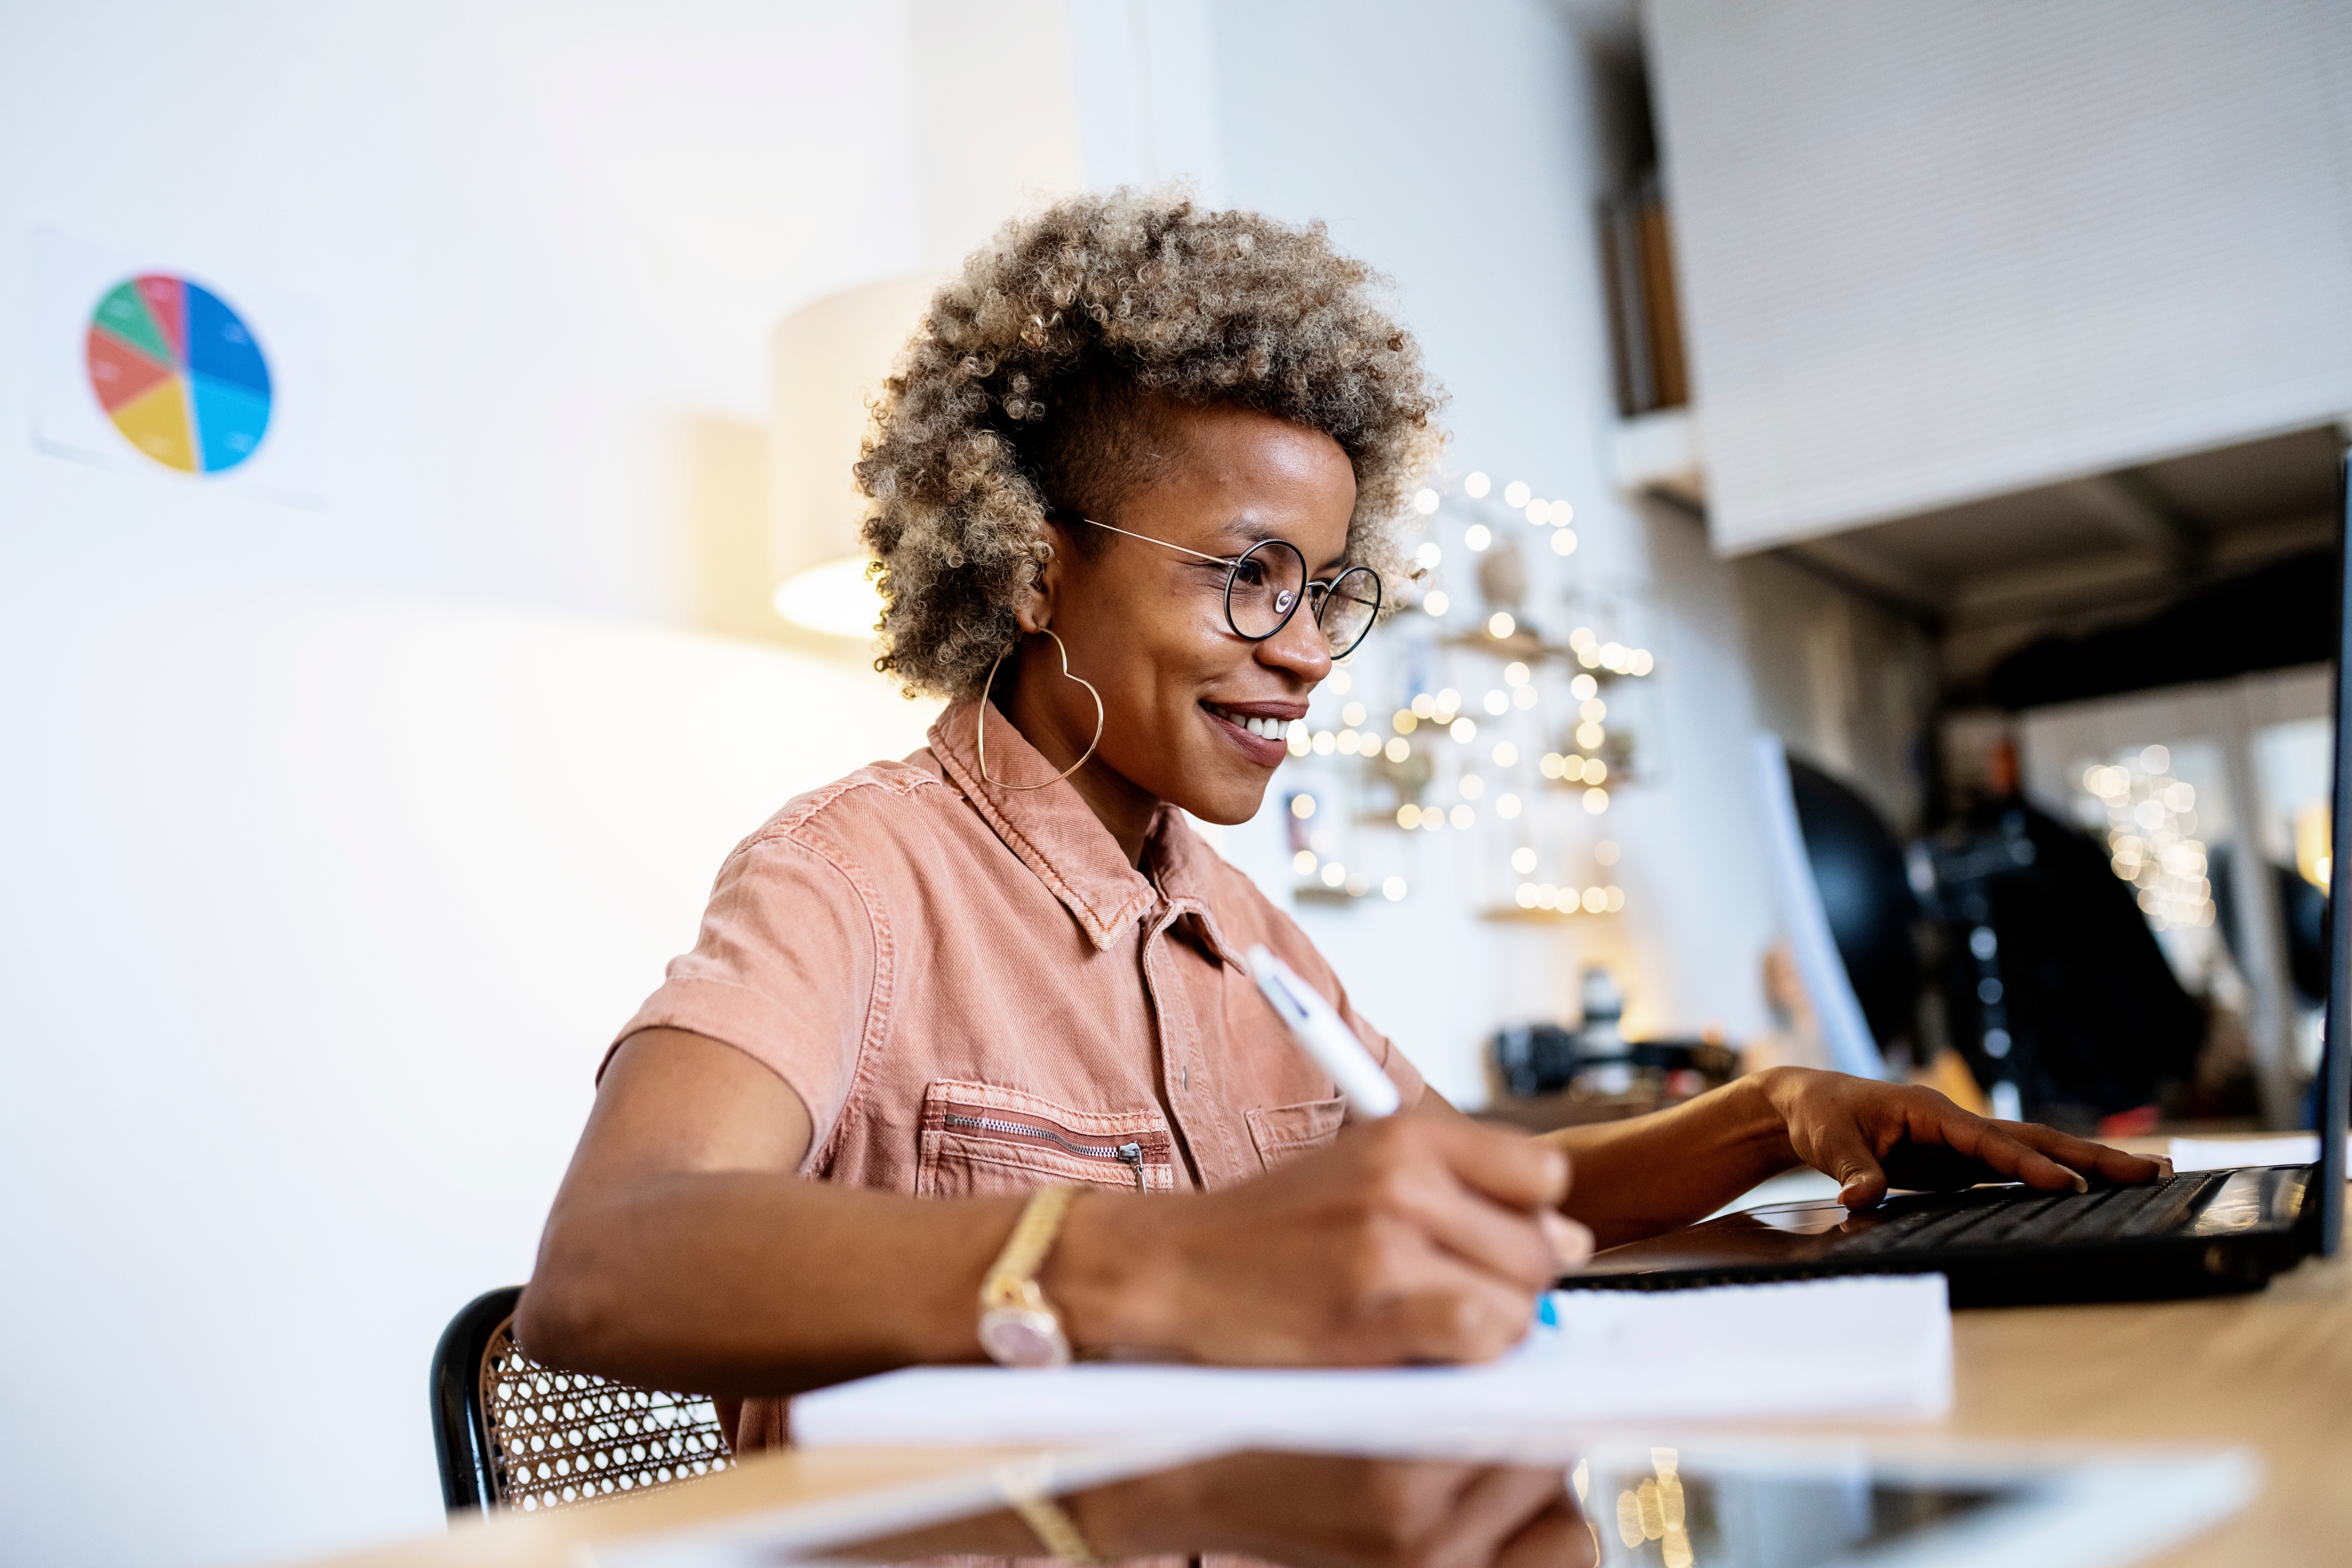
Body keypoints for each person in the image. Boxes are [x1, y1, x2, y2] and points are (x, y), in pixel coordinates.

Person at [517, 191, 2165, 1452]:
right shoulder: (855, 878)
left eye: (1324, 590)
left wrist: (1773, 1114)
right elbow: (610, 1263)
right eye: (1247, 577)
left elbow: (1452, 1181)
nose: (1305, 651)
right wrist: (1142, 1266)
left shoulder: (1239, 929)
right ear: (1029, 563)